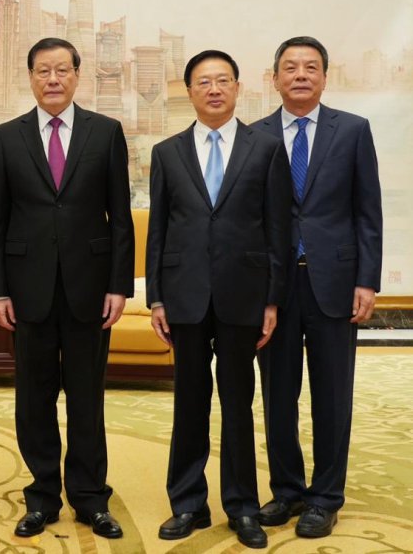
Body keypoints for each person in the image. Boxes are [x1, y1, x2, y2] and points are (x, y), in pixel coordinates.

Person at [0, 37, 134, 540]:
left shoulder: (105, 132)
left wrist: (118, 285)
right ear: (30, 77)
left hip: (90, 289)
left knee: (87, 398)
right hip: (27, 290)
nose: (53, 79)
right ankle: (42, 497)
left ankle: (91, 498)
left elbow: (120, 216)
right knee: (34, 399)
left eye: (62, 70)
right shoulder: (6, 137)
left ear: (77, 76)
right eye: (43, 71)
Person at [146, 50, 291, 549]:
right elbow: (158, 231)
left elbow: (277, 229)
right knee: (189, 402)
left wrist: (272, 300)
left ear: (237, 88)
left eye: (223, 80)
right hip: (183, 295)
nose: (214, 89)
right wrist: (157, 298)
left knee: (237, 403)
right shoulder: (166, 152)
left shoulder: (266, 148)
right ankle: (187, 503)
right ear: (189, 91)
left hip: (243, 294)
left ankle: (242, 506)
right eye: (203, 82)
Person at [255, 36, 382, 538]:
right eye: (290, 67)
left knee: (332, 395)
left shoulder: (352, 130)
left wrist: (367, 279)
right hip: (275, 288)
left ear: (325, 77)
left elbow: (367, 211)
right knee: (277, 394)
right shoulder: (256, 135)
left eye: (311, 67)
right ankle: (287, 491)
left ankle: (326, 498)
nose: (301, 75)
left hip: (335, 281)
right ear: (275, 78)